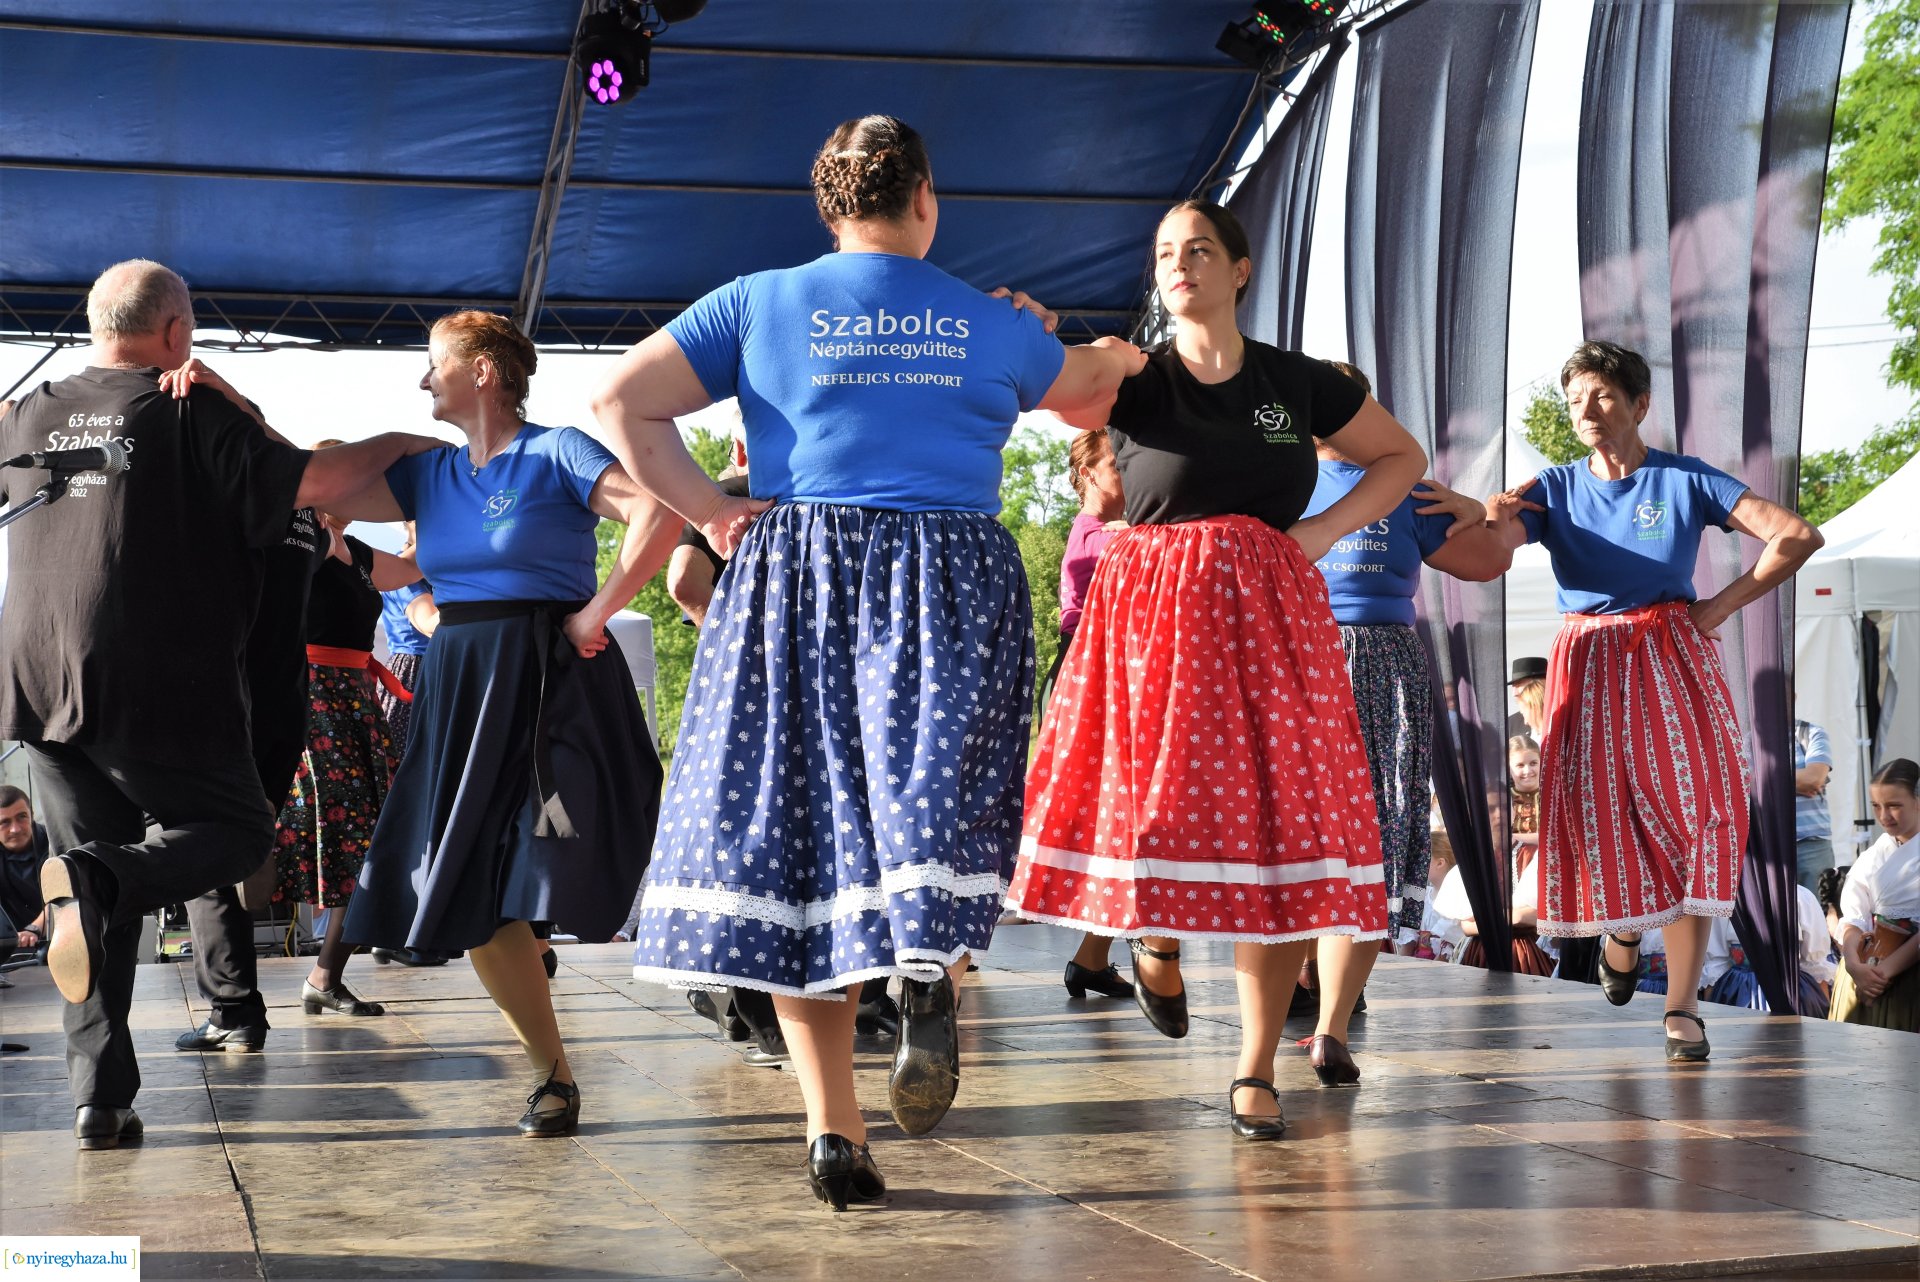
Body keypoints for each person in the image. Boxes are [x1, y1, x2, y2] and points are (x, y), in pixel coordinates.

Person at [593, 114, 1144, 1207]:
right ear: (926, 198)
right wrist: (1077, 339)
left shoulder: (761, 299)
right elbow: (1098, 392)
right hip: (945, 581)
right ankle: (927, 958)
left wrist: (711, 512)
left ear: (829, 206)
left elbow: (620, 399)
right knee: (928, 809)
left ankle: (832, 1130)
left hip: (794, 571)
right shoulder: (985, 322)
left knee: (803, 855)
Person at [1007, 198, 1427, 1136]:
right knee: (1150, 809)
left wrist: (1317, 532)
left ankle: (1255, 1070)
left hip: (1273, 622)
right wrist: (1028, 337)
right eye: (1165, 252)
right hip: (1151, 622)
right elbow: (1055, 384)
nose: (1179, 263)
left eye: (1199, 249)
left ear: (1239, 269)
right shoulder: (1133, 372)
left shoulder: (1297, 381)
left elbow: (1402, 457)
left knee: (1278, 837)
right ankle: (1153, 940)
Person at [0, 259, 438, 1149]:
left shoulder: (28, 409)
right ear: (176, 333)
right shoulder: (185, 406)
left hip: (34, 682)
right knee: (234, 834)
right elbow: (316, 481)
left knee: (96, 884)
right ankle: (98, 882)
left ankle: (101, 1100)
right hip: (151, 674)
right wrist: (407, 441)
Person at [343, 309, 679, 1136]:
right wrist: (341, 551)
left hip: (548, 678)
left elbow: (656, 513)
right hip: (461, 683)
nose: (424, 381)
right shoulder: (428, 475)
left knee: (538, 863)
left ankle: (577, 996)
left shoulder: (556, 450)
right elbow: (378, 539)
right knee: (483, 889)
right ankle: (551, 1073)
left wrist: (597, 613)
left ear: (483, 371)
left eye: (434, 365)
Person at [1485, 339, 1823, 1062]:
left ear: (1639, 404)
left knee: (1699, 812)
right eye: (1576, 400)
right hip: (1591, 657)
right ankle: (1625, 930)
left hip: (1671, 652)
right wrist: (1491, 517)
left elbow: (1796, 535)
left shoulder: (1683, 478)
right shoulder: (1554, 486)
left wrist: (1720, 605)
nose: (1587, 412)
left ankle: (1682, 1005)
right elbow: (1496, 548)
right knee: (1602, 816)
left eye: (1603, 396)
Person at [1290, 358, 1513, 1065]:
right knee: (1298, 840)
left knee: (1374, 837)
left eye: (1352, 403)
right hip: (1304, 665)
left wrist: (1476, 509)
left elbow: (1483, 562)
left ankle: (1332, 1027)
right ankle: (1308, 1002)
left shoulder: (1406, 491)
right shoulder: (1284, 482)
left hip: (1384, 665)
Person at [270, 480, 420, 1018]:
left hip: (355, 703)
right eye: (350, 486)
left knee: (375, 840)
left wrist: (432, 507)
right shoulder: (290, 541)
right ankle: (232, 992)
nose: (360, 499)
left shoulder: (355, 553)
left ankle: (324, 976)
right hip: (310, 701)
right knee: (320, 836)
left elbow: (413, 567)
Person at [1039, 429, 1136, 1004]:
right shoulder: (1100, 535)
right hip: (1091, 679)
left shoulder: (1121, 532)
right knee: (1121, 817)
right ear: (1089, 474)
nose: (1127, 471)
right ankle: (1144, 949)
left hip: (1115, 676)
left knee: (1124, 820)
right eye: (1116, 463)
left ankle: (1093, 957)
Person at [1827, 758, 1919, 1031]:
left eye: (1894, 805)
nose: (1884, 816)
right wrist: (1854, 964)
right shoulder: (1873, 854)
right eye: (1877, 806)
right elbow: (1853, 917)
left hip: (1907, 974)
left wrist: (1882, 974)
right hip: (1862, 970)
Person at [375, 524, 436, 760]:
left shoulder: (440, 572)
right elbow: (428, 622)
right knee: (400, 759)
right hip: (412, 671)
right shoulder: (400, 572)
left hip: (438, 664)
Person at [0, 786, 49, 960]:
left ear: (32, 814)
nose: (15, 829)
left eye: (22, 817)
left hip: (56, 939)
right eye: (4, 822)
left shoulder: (54, 844)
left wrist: (33, 930)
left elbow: (63, 899)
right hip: (12, 945)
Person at [1793, 718, 1836, 893]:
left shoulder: (1811, 733)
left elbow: (1812, 780)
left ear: (1794, 695)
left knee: (1818, 915)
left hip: (1812, 845)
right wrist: (1798, 780)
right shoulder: (1751, 739)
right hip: (1768, 846)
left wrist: (1765, 775)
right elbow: (1743, 781)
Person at [1506, 657, 1546, 739]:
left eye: (1519, 684)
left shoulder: (1562, 720)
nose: (1514, 693)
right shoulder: (1511, 724)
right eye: (1513, 686)